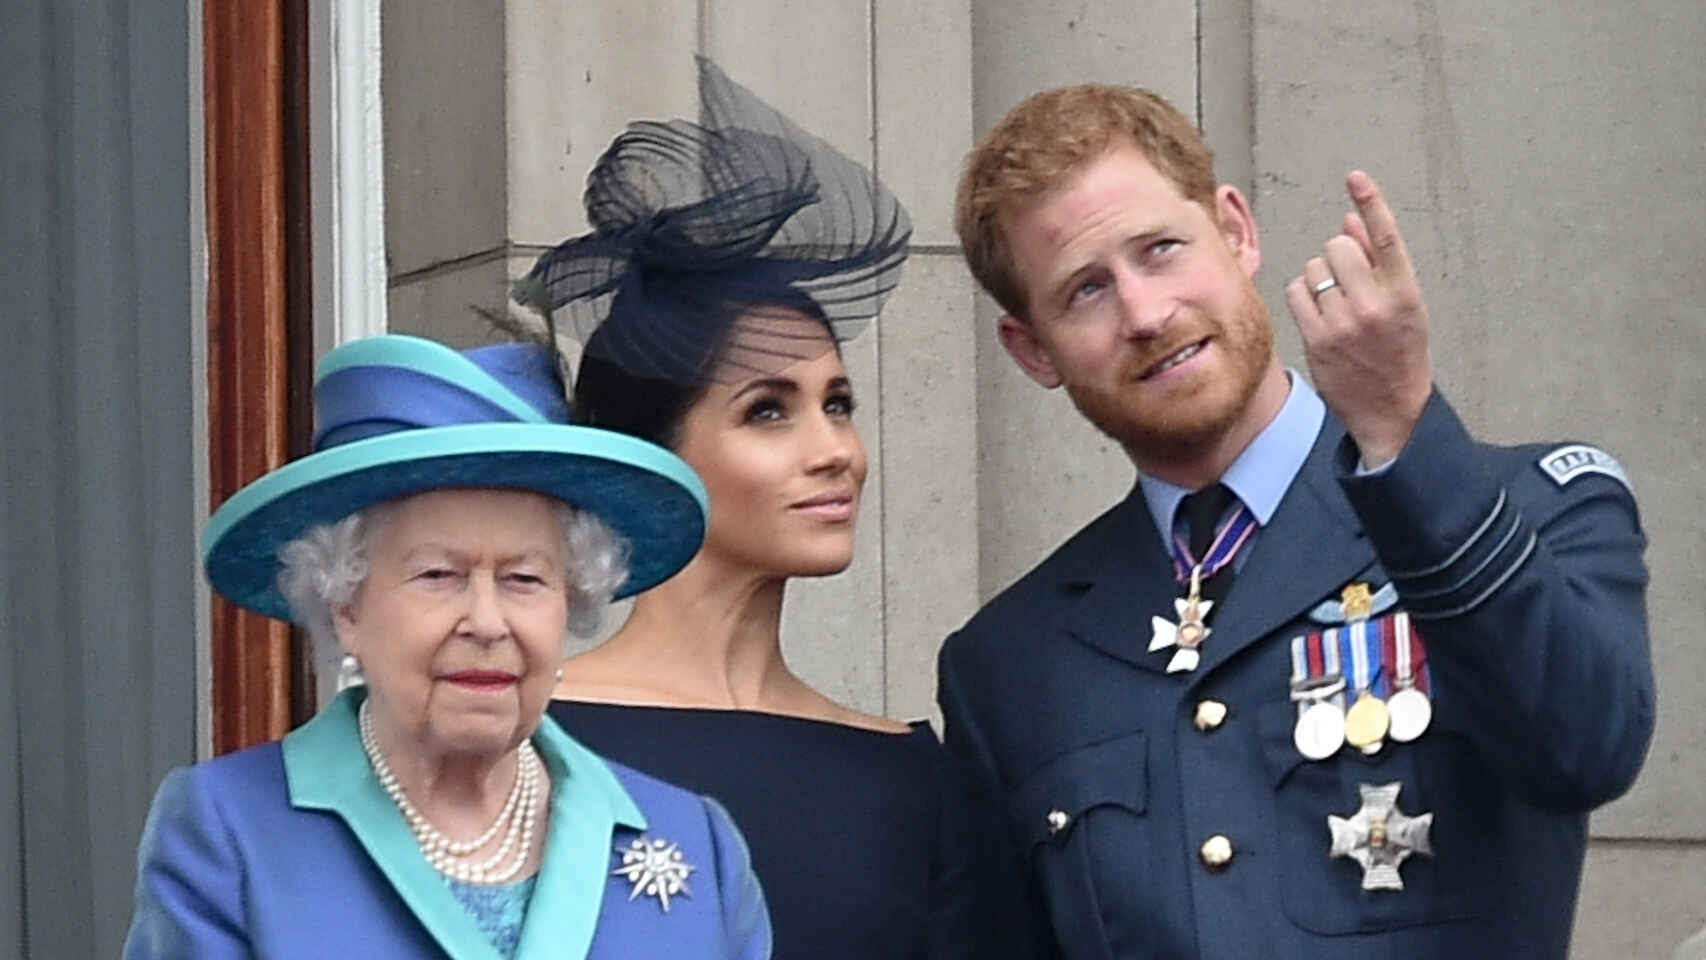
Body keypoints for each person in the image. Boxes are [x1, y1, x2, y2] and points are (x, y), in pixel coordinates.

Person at [938, 83, 1654, 958]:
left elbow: (1588, 750)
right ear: (1033, 350)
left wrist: (1402, 435)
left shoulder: (1531, 505)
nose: (1145, 314)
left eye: (1160, 250)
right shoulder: (1009, 662)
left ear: (1236, 229)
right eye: (1086, 290)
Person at [507, 57, 1015, 960]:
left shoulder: (911, 776)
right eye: (768, 411)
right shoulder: (522, 739)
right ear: (652, 459)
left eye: (840, 404)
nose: (835, 450)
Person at [124, 334, 771, 959]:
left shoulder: (697, 845)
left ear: (571, 602)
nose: (487, 623)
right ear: (345, 605)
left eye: (525, 579)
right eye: (439, 576)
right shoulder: (229, 832)